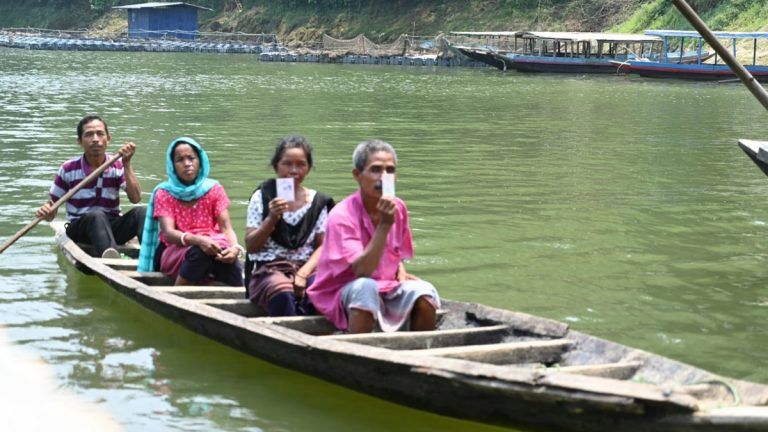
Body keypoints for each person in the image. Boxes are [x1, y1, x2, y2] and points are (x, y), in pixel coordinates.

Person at [307, 139, 440, 333]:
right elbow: (362, 271)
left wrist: (400, 274)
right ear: (357, 175)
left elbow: (396, 253)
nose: (383, 177)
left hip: (386, 285)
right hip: (343, 290)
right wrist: (385, 225)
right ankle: (360, 351)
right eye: (376, 170)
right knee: (365, 287)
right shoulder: (342, 215)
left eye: (390, 171)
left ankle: (420, 349)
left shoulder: (398, 207)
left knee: (424, 291)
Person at [245, 136, 334, 316]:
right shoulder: (262, 197)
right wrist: (272, 218)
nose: (293, 170)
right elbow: (252, 247)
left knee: (324, 290)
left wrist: (302, 274)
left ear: (308, 168)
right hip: (269, 268)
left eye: (301, 164)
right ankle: (289, 337)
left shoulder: (318, 203)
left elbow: (323, 246)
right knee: (283, 291)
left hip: (306, 267)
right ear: (276, 166)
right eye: (287, 164)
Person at [136, 137, 243, 287]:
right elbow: (168, 233)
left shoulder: (214, 189)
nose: (187, 164)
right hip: (175, 250)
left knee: (230, 262)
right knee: (199, 254)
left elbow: (226, 228)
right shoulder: (164, 192)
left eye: (191, 158)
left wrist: (235, 249)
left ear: (200, 162)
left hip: (212, 245)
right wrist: (198, 240)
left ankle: (239, 298)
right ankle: (176, 295)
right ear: (173, 165)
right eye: (180, 160)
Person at [36, 114, 146, 258]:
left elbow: (136, 198)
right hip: (81, 229)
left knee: (142, 212)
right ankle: (111, 259)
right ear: (80, 141)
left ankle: (154, 254)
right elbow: (51, 212)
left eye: (100, 134)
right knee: (96, 215)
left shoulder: (118, 165)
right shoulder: (68, 169)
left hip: (111, 227)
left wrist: (127, 164)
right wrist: (46, 211)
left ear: (108, 139)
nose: (95, 139)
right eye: (89, 135)